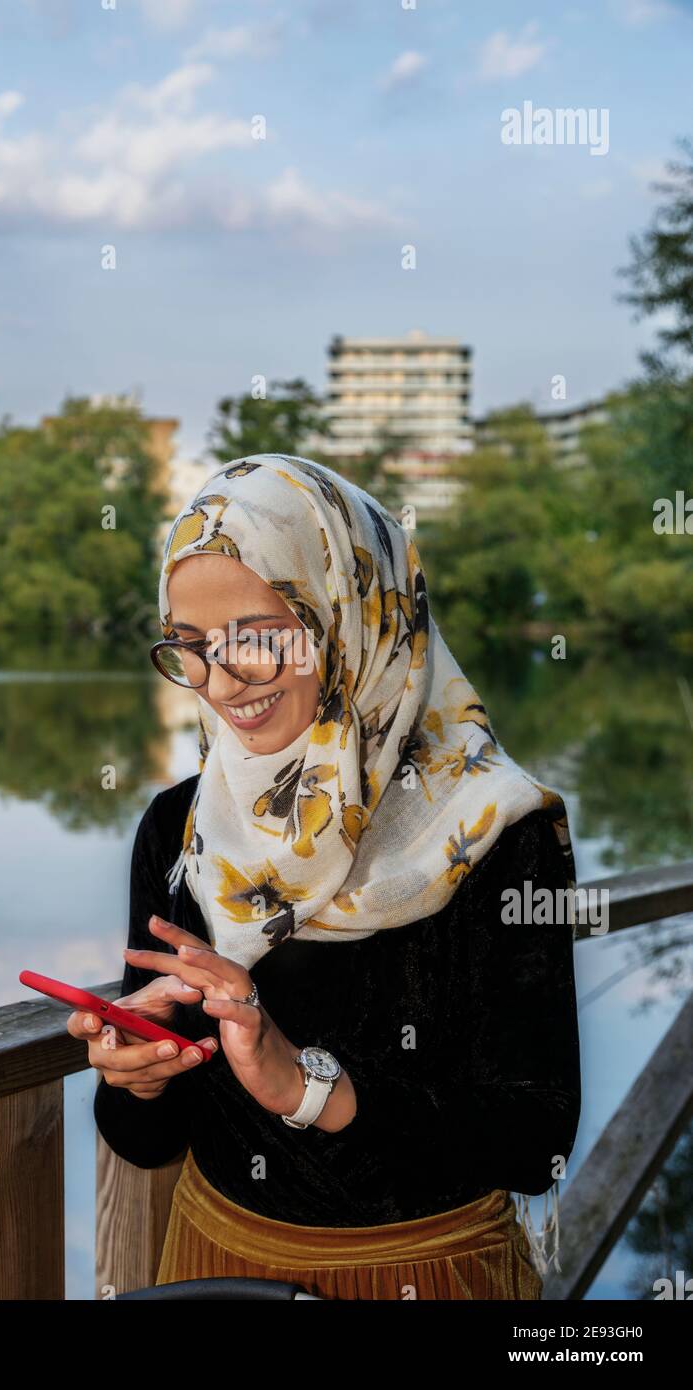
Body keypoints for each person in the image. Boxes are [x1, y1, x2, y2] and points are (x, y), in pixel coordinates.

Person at [71, 453, 582, 1301]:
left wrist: (308, 1085)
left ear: (349, 613)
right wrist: (138, 1075)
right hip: (214, 1263)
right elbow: (147, 1143)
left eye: (257, 638)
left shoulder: (497, 833)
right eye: (189, 648)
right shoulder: (182, 829)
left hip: (428, 1273)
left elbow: (537, 1138)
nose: (221, 681)